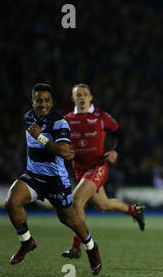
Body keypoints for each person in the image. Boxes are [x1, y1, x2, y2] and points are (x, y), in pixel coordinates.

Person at [5, 83, 102, 275]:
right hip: (33, 176)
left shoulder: (59, 122)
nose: (43, 104)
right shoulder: (28, 117)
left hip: (55, 180)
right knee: (12, 202)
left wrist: (41, 137)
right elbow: (31, 144)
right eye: (39, 100)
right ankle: (27, 242)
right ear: (32, 101)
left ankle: (91, 247)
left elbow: (64, 150)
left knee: (69, 219)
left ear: (52, 102)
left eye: (47, 100)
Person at [62, 83, 145, 259]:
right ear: (73, 99)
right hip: (80, 171)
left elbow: (121, 134)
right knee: (103, 205)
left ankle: (77, 247)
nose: (82, 98)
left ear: (90, 97)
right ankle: (134, 211)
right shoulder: (67, 120)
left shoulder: (100, 116)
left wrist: (115, 151)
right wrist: (63, 150)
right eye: (78, 95)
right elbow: (61, 143)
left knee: (76, 201)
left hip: (97, 167)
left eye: (85, 94)